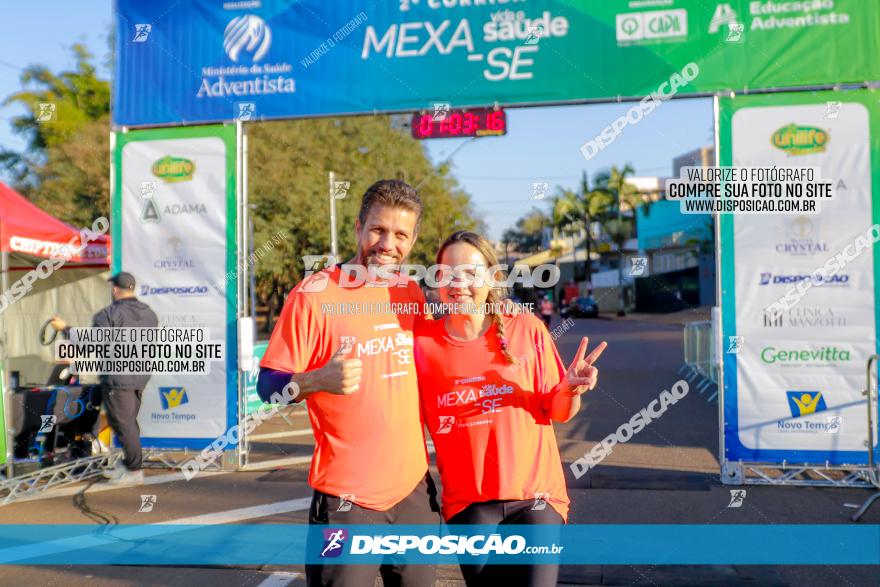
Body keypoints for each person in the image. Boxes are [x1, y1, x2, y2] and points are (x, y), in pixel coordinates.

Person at [256, 179, 441, 587]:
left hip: (413, 493)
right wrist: (314, 380)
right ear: (358, 227)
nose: (386, 244)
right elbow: (267, 386)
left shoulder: (410, 293)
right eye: (378, 229)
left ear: (413, 241)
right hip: (348, 500)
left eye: (400, 235)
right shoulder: (313, 295)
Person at [414, 231, 607, 587]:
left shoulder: (526, 330)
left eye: (471, 273)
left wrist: (569, 389)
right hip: (469, 506)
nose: (459, 284)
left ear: (492, 279)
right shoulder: (422, 345)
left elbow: (559, 411)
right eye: (448, 273)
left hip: (535, 499)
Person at [50, 271, 158, 485]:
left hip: (118, 378)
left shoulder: (108, 314)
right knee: (128, 422)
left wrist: (64, 329)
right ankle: (129, 465)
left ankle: (134, 471)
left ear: (115, 289)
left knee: (123, 423)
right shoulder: (150, 314)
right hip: (140, 376)